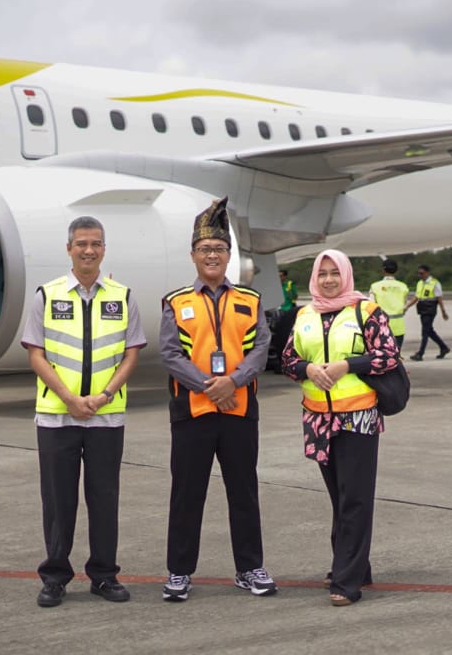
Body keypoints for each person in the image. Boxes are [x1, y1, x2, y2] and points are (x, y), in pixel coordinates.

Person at [21, 215, 146, 608]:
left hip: (106, 418)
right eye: (81, 244)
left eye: (95, 244)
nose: (88, 250)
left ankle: (104, 575)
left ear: (104, 249)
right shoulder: (48, 294)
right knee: (58, 501)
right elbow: (36, 355)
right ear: (69, 249)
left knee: (104, 497)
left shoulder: (122, 297)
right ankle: (55, 576)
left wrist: (105, 395)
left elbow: (131, 354)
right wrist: (70, 399)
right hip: (57, 417)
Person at [159, 196, 276, 602]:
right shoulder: (176, 301)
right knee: (187, 494)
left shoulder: (250, 299)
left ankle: (249, 568)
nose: (212, 255)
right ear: (193, 255)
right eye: (205, 249)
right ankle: (178, 572)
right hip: (192, 411)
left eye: (219, 249)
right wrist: (211, 386)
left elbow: (261, 348)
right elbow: (171, 353)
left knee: (243, 492)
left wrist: (233, 382)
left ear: (229, 255)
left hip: (239, 411)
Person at [282, 249, 400, 606]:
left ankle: (347, 580)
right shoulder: (305, 314)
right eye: (323, 273)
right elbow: (288, 358)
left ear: (346, 275)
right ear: (314, 278)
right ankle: (355, 565)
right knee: (339, 497)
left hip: (358, 418)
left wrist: (347, 365)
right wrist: (307, 370)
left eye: (335, 273)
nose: (329, 279)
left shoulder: (366, 310)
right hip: (318, 418)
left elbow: (388, 355)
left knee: (355, 499)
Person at [405, 264, 449, 361]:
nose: (420, 275)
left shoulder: (435, 283)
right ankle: (444, 347)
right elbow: (416, 297)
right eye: (419, 273)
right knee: (429, 331)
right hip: (422, 308)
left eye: (422, 273)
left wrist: (443, 311)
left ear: (428, 273)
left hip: (430, 308)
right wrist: (407, 306)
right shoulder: (420, 283)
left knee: (425, 331)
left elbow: (439, 298)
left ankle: (420, 353)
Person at [368, 259, 409, 351]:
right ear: (396, 270)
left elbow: (371, 306)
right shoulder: (403, 286)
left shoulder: (375, 286)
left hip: (382, 326)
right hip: (399, 326)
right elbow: (405, 306)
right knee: (397, 354)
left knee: (384, 355)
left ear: (383, 270)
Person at [268, 269, 300, 372]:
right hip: (278, 309)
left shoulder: (289, 284)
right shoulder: (276, 286)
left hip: (287, 309)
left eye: (281, 276)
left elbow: (295, 295)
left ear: (285, 276)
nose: (279, 278)